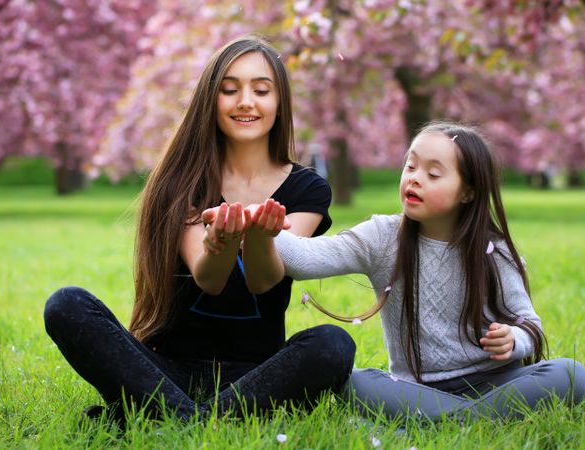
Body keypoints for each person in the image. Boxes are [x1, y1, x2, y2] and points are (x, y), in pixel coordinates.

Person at [42, 35, 355, 424]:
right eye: (229, 90)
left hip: (257, 376)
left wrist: (260, 235)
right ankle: (198, 419)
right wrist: (221, 240)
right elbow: (208, 277)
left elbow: (264, 280)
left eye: (261, 90)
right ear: (211, 100)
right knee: (66, 304)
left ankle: (165, 417)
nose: (245, 101)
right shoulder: (182, 180)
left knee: (333, 344)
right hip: (165, 368)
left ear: (279, 103)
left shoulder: (307, 188)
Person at [255, 121, 585, 420]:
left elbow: (529, 323)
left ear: (468, 192)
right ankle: (477, 419)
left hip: (495, 381)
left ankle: (449, 419)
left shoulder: (492, 251)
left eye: (433, 174)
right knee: (355, 384)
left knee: (571, 374)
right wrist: (256, 223)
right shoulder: (383, 237)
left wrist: (513, 339)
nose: (414, 178)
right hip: (416, 389)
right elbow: (305, 258)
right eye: (410, 166)